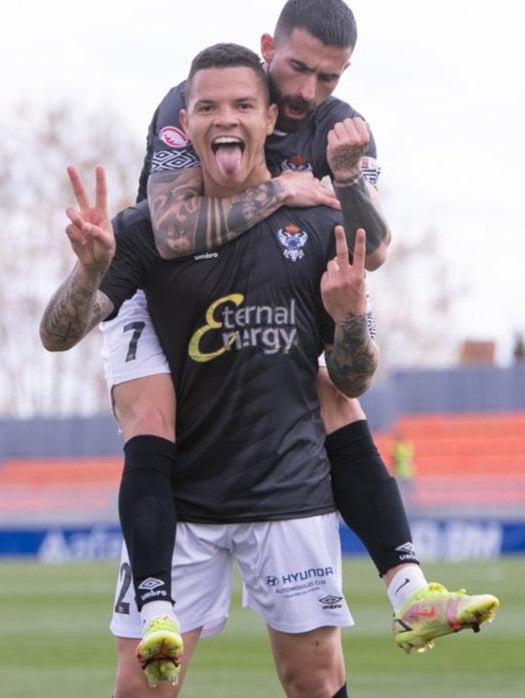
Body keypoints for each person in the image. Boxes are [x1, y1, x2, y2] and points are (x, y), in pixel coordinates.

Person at [42, 44, 496, 698]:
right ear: (187, 120)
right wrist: (87, 271)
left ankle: (408, 585)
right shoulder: (148, 231)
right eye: (208, 106)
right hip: (183, 505)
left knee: (314, 680)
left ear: (268, 120)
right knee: (141, 689)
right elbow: (57, 337)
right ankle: (396, 584)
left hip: (286, 497)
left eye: (242, 105)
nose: (224, 117)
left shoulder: (317, 223)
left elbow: (353, 377)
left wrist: (351, 318)